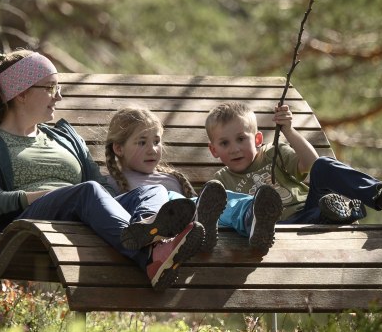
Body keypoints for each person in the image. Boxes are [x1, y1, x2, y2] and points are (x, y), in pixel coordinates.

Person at [0, 49, 206, 291]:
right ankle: (149, 256)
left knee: (152, 191)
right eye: (51, 88)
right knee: (87, 191)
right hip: (22, 227)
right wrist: (47, 195)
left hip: (81, 212)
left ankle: (147, 235)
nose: (59, 97)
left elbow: (102, 189)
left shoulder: (65, 137)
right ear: (22, 94)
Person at [205, 102, 382, 225]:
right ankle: (340, 212)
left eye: (241, 139)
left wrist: (288, 131)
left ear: (258, 139)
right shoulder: (220, 182)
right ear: (214, 150)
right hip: (277, 228)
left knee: (323, 165)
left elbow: (310, 163)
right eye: (224, 143)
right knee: (324, 211)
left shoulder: (273, 153)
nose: (234, 148)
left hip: (309, 208)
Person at [104, 107, 283, 251]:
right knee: (176, 201)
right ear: (119, 148)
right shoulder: (112, 183)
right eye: (142, 142)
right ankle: (201, 227)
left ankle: (250, 215)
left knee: (213, 200)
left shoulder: (171, 177)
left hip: (192, 219)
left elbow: (207, 207)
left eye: (157, 141)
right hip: (161, 231)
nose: (153, 149)